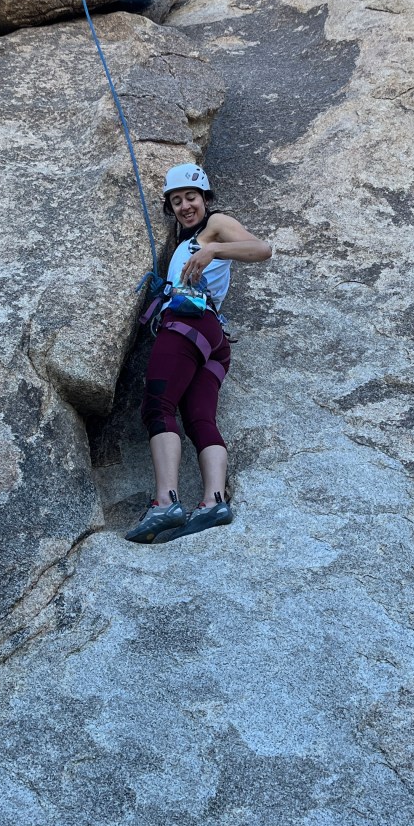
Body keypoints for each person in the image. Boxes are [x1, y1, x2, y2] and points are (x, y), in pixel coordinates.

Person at [126, 163, 272, 543]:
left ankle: (166, 501)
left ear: (205, 199)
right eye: (176, 201)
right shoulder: (183, 244)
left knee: (157, 406)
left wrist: (215, 249)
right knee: (198, 419)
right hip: (213, 340)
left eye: (191, 197)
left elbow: (262, 248)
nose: (185, 206)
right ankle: (213, 502)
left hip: (189, 323)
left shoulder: (216, 225)